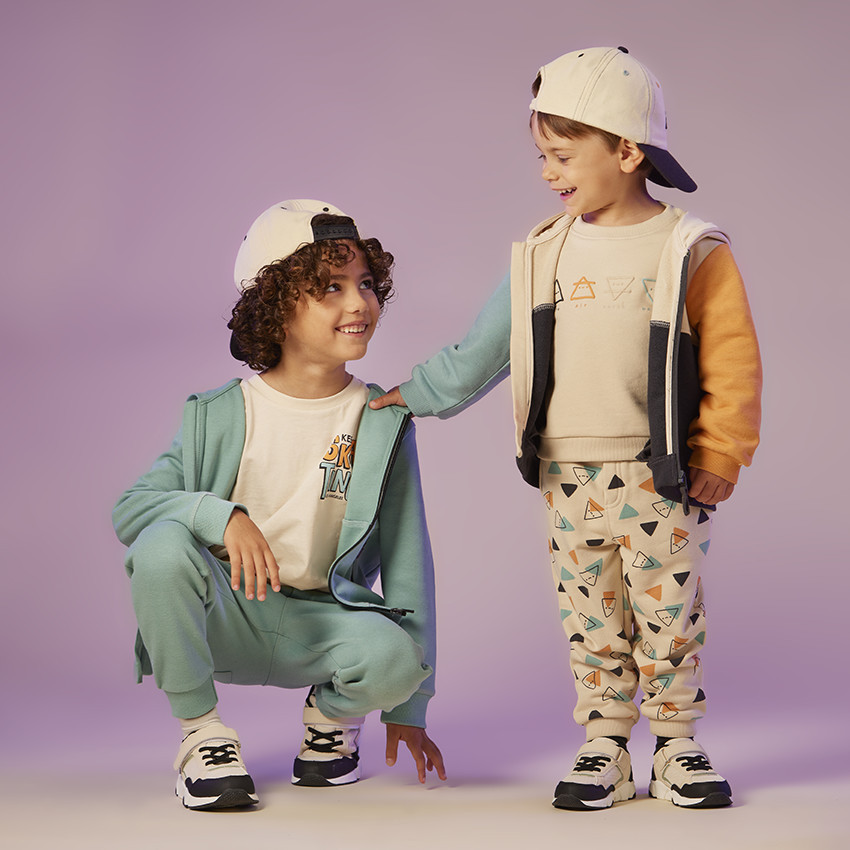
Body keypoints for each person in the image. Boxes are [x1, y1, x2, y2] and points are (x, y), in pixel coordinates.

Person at [370, 47, 761, 810]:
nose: (548, 172)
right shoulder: (544, 251)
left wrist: (722, 448)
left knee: (669, 613)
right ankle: (605, 744)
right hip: (566, 474)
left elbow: (733, 357)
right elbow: (485, 350)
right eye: (542, 156)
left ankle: (676, 743)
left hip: (661, 472)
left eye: (561, 154)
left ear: (627, 151)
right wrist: (414, 395)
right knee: (591, 617)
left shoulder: (690, 248)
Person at [113, 199, 446, 810]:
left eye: (366, 283)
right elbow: (132, 509)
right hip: (228, 618)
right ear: (275, 306)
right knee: (161, 544)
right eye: (331, 287)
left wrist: (410, 705)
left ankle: (330, 719)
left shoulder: (382, 419)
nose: (359, 303)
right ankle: (202, 735)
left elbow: (408, 559)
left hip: (322, 624)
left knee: (400, 661)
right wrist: (223, 517)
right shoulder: (220, 412)